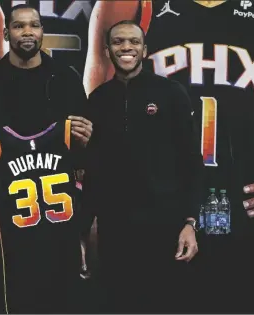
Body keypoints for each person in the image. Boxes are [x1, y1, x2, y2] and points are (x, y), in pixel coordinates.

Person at [83, 1, 254, 312]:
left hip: (240, 198)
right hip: (157, 202)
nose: (126, 47)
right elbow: (95, 120)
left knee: (237, 301)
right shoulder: (132, 5)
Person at [0, 4, 93, 313]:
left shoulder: (65, 78)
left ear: (42, 32)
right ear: (7, 33)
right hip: (8, 218)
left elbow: (86, 153)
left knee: (61, 298)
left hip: (56, 220)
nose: (27, 32)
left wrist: (87, 140)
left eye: (34, 25)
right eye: (20, 26)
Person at [84, 20, 204, 313]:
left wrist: (189, 223)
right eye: (119, 42)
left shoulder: (171, 93)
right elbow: (91, 171)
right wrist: (85, 231)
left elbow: (192, 161)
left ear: (145, 49)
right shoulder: (96, 100)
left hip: (165, 227)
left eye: (134, 42)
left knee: (166, 305)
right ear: (107, 49)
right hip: (115, 231)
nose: (127, 47)